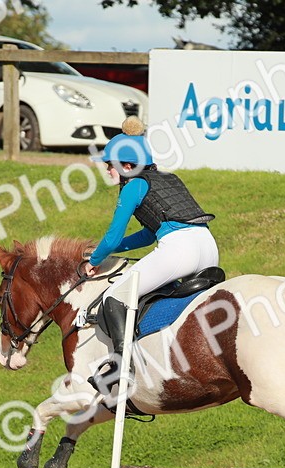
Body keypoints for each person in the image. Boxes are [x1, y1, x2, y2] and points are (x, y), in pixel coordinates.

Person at [85, 117, 217, 383]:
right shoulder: (169, 178)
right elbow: (148, 235)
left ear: (128, 165)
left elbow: (113, 236)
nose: (108, 170)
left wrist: (96, 259)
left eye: (110, 165)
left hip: (180, 251)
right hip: (208, 247)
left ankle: (120, 369)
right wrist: (114, 249)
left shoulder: (134, 185)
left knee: (113, 298)